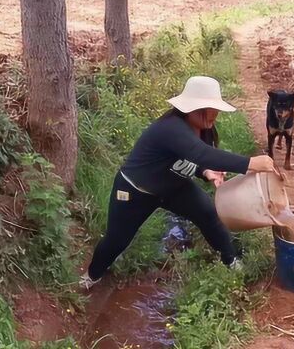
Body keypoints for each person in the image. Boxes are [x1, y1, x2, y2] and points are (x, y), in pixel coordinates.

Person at [80, 76, 276, 289]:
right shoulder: (171, 128)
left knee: (209, 214)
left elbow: (197, 158)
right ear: (191, 108)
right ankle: (92, 276)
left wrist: (206, 171)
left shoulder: (204, 129)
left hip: (173, 187)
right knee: (116, 240)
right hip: (136, 191)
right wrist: (252, 163)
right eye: (208, 108)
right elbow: (201, 153)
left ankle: (231, 262)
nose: (214, 114)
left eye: (215, 109)